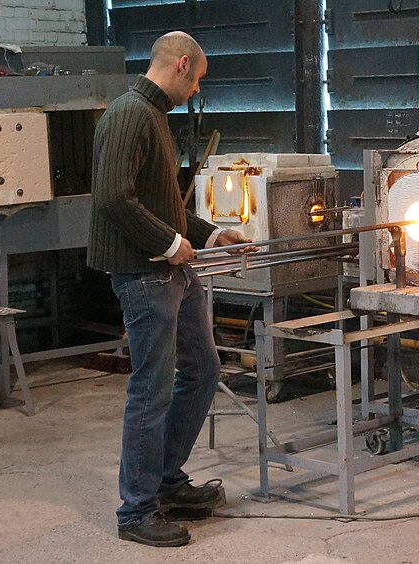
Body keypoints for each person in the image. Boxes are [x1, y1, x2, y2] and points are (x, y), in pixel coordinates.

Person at [87, 31, 253, 548]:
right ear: (182, 64)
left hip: (169, 270)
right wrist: (170, 243)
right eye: (198, 79)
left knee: (203, 370)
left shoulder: (154, 117)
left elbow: (164, 202)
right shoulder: (129, 113)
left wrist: (208, 234)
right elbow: (114, 198)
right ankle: (136, 511)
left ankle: (164, 481)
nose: (197, 90)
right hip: (143, 274)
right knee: (151, 390)